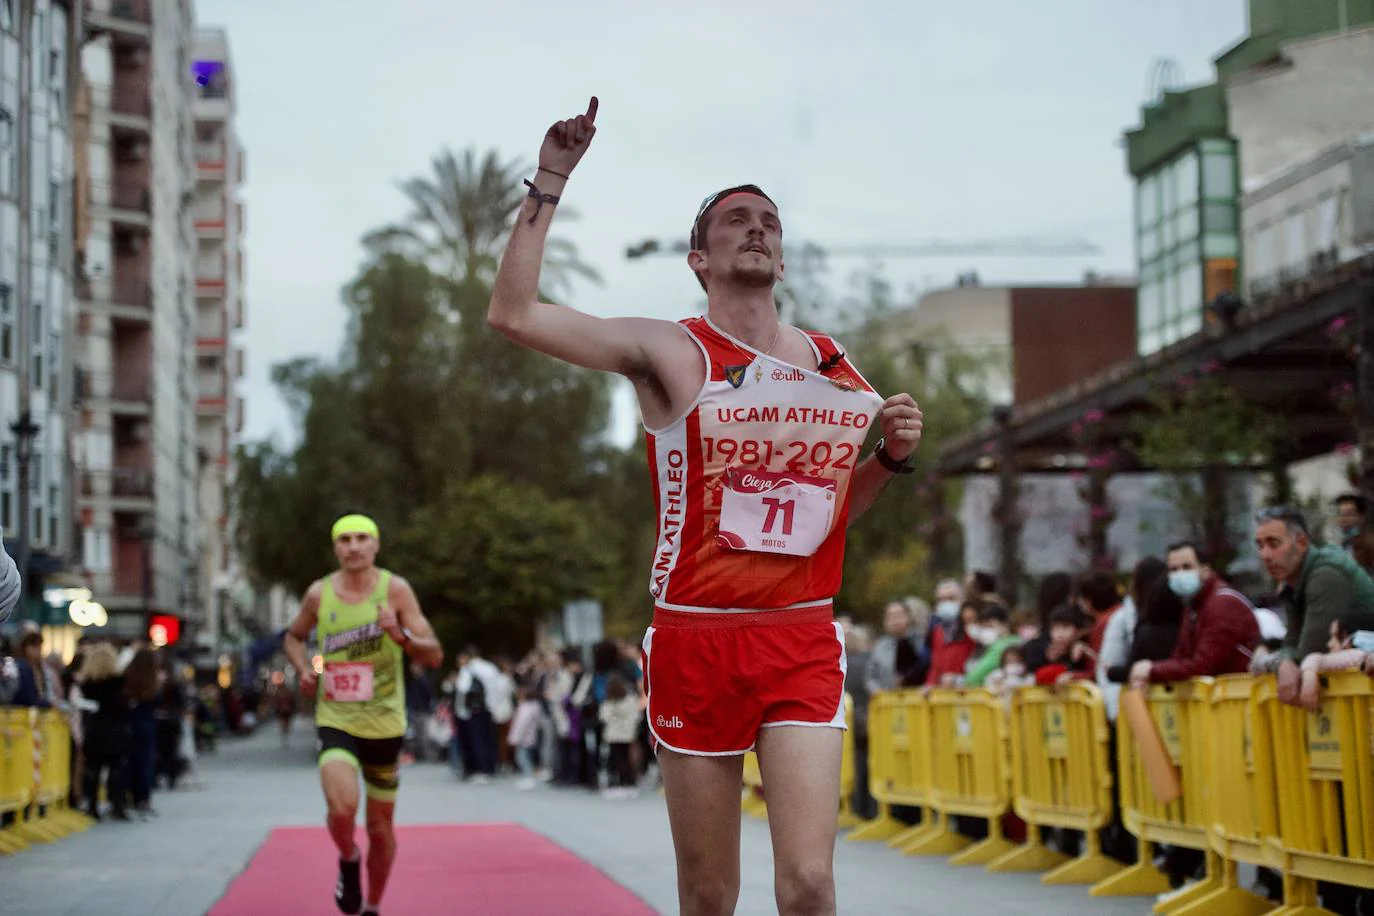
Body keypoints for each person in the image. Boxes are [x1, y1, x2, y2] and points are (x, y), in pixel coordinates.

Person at [488, 97, 924, 916]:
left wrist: (890, 461)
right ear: (700, 257)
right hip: (697, 634)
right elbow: (513, 315)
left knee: (808, 883)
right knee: (711, 896)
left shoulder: (832, 367)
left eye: (769, 221)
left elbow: (828, 514)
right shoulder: (671, 351)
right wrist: (551, 178)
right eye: (735, 220)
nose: (757, 229)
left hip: (799, 633)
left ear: (784, 259)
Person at [283, 514, 444, 916]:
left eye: (361, 539)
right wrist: (304, 669)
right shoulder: (320, 594)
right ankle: (349, 856)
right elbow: (293, 636)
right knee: (341, 808)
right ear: (335, 548)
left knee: (381, 827)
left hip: (386, 723)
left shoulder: (396, 590)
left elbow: (435, 653)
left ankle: (372, 905)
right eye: (344, 540)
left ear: (376, 545)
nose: (353, 547)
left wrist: (400, 636)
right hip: (336, 717)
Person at [1252, 506, 1374, 706]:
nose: (1265, 555)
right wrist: (1284, 660)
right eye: (1260, 545)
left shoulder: (1326, 574)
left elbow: (1308, 653)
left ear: (1301, 543)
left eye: (1273, 544)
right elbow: (1291, 644)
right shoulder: (1293, 580)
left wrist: (1266, 661)